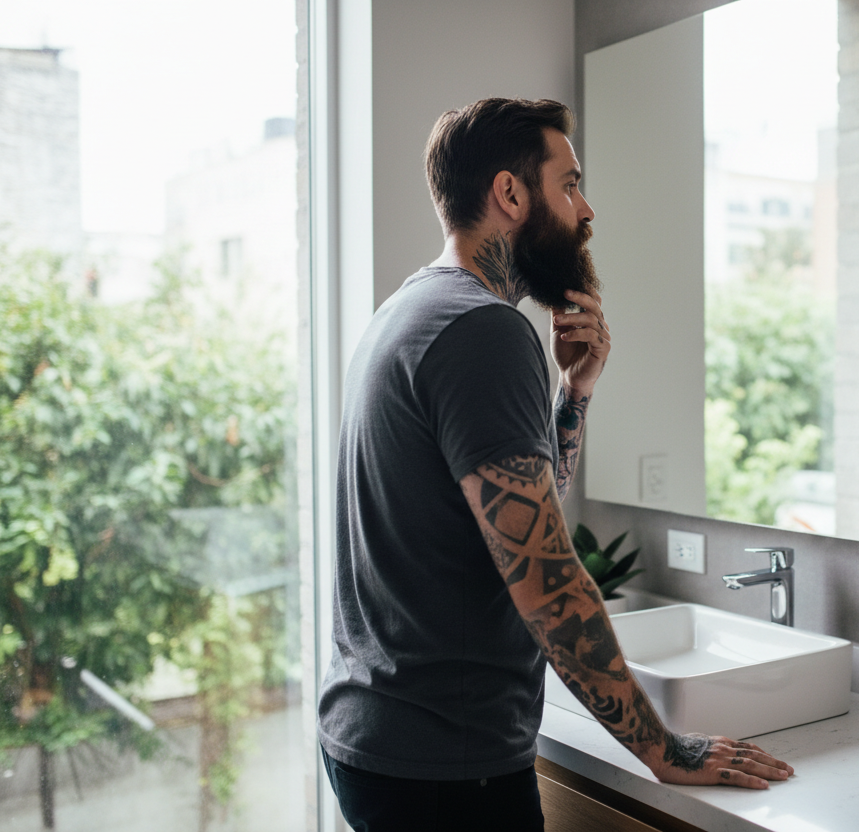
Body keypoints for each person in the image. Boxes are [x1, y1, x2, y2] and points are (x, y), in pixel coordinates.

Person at [317, 98, 793, 831]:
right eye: (569, 184)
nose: (587, 209)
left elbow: (511, 514)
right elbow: (547, 581)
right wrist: (663, 749)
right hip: (448, 763)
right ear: (511, 193)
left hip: (381, 735)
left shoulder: (411, 312)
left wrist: (574, 394)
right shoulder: (485, 331)